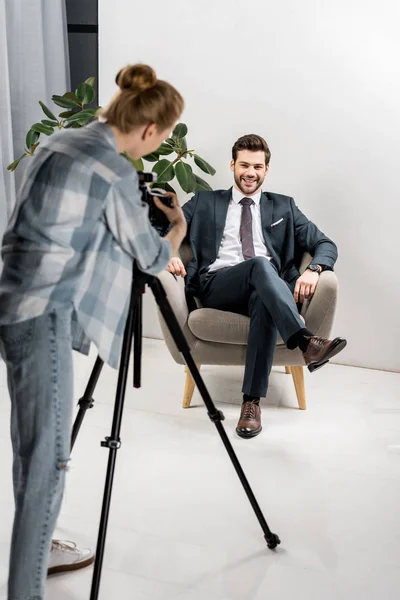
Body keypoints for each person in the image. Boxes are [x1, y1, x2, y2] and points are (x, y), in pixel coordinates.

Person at [0, 64, 187, 600]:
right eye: (163, 139)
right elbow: (150, 258)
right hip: (46, 317)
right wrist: (177, 226)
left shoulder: (59, 141)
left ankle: (41, 547)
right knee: (49, 464)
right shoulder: (113, 168)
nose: (156, 148)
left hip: (12, 305)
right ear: (149, 130)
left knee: (30, 453)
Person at [167, 134, 346, 439]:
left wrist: (315, 270)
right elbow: (166, 228)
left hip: (266, 290)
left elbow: (324, 244)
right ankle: (305, 342)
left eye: (258, 166)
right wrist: (167, 253)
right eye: (244, 165)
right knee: (262, 265)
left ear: (266, 169)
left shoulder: (284, 207)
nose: (250, 172)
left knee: (265, 295)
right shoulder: (205, 201)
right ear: (232, 165)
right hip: (217, 286)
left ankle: (251, 403)